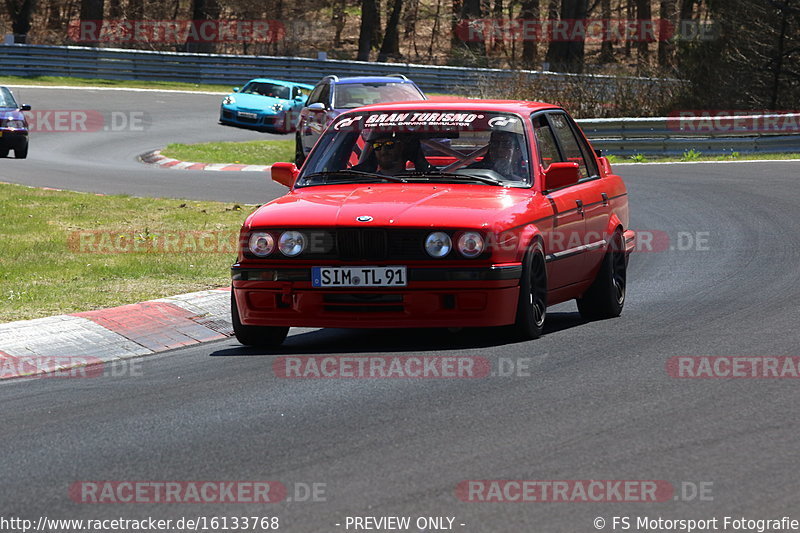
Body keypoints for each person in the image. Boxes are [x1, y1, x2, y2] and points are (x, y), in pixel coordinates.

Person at [354, 132, 433, 176]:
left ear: (401, 146)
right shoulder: (358, 180)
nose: (383, 150)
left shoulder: (425, 181)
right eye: (377, 146)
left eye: (389, 144)